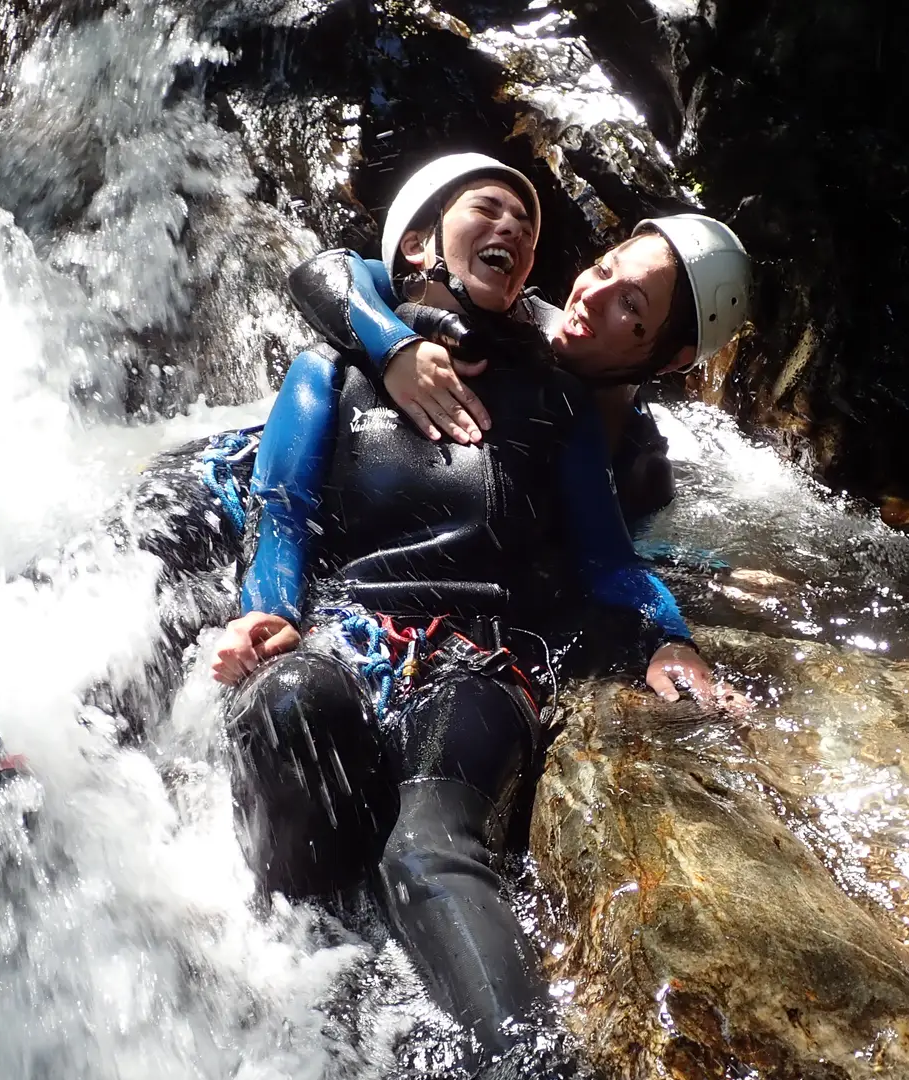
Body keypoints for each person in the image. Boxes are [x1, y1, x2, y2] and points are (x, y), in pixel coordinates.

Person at [210, 153, 731, 1064]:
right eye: (490, 210)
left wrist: (665, 637)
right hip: (346, 628)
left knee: (427, 848)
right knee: (294, 704)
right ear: (419, 242)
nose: (518, 233)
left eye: (528, 229)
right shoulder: (334, 368)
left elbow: (610, 557)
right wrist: (268, 611)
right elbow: (281, 508)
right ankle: (305, 991)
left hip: (477, 658)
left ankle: (530, 1062)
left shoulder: (561, 405)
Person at [285, 200, 752, 525]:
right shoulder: (513, 317)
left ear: (672, 361)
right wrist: (395, 347)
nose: (591, 295)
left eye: (629, 304)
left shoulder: (639, 470)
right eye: (604, 269)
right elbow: (330, 273)